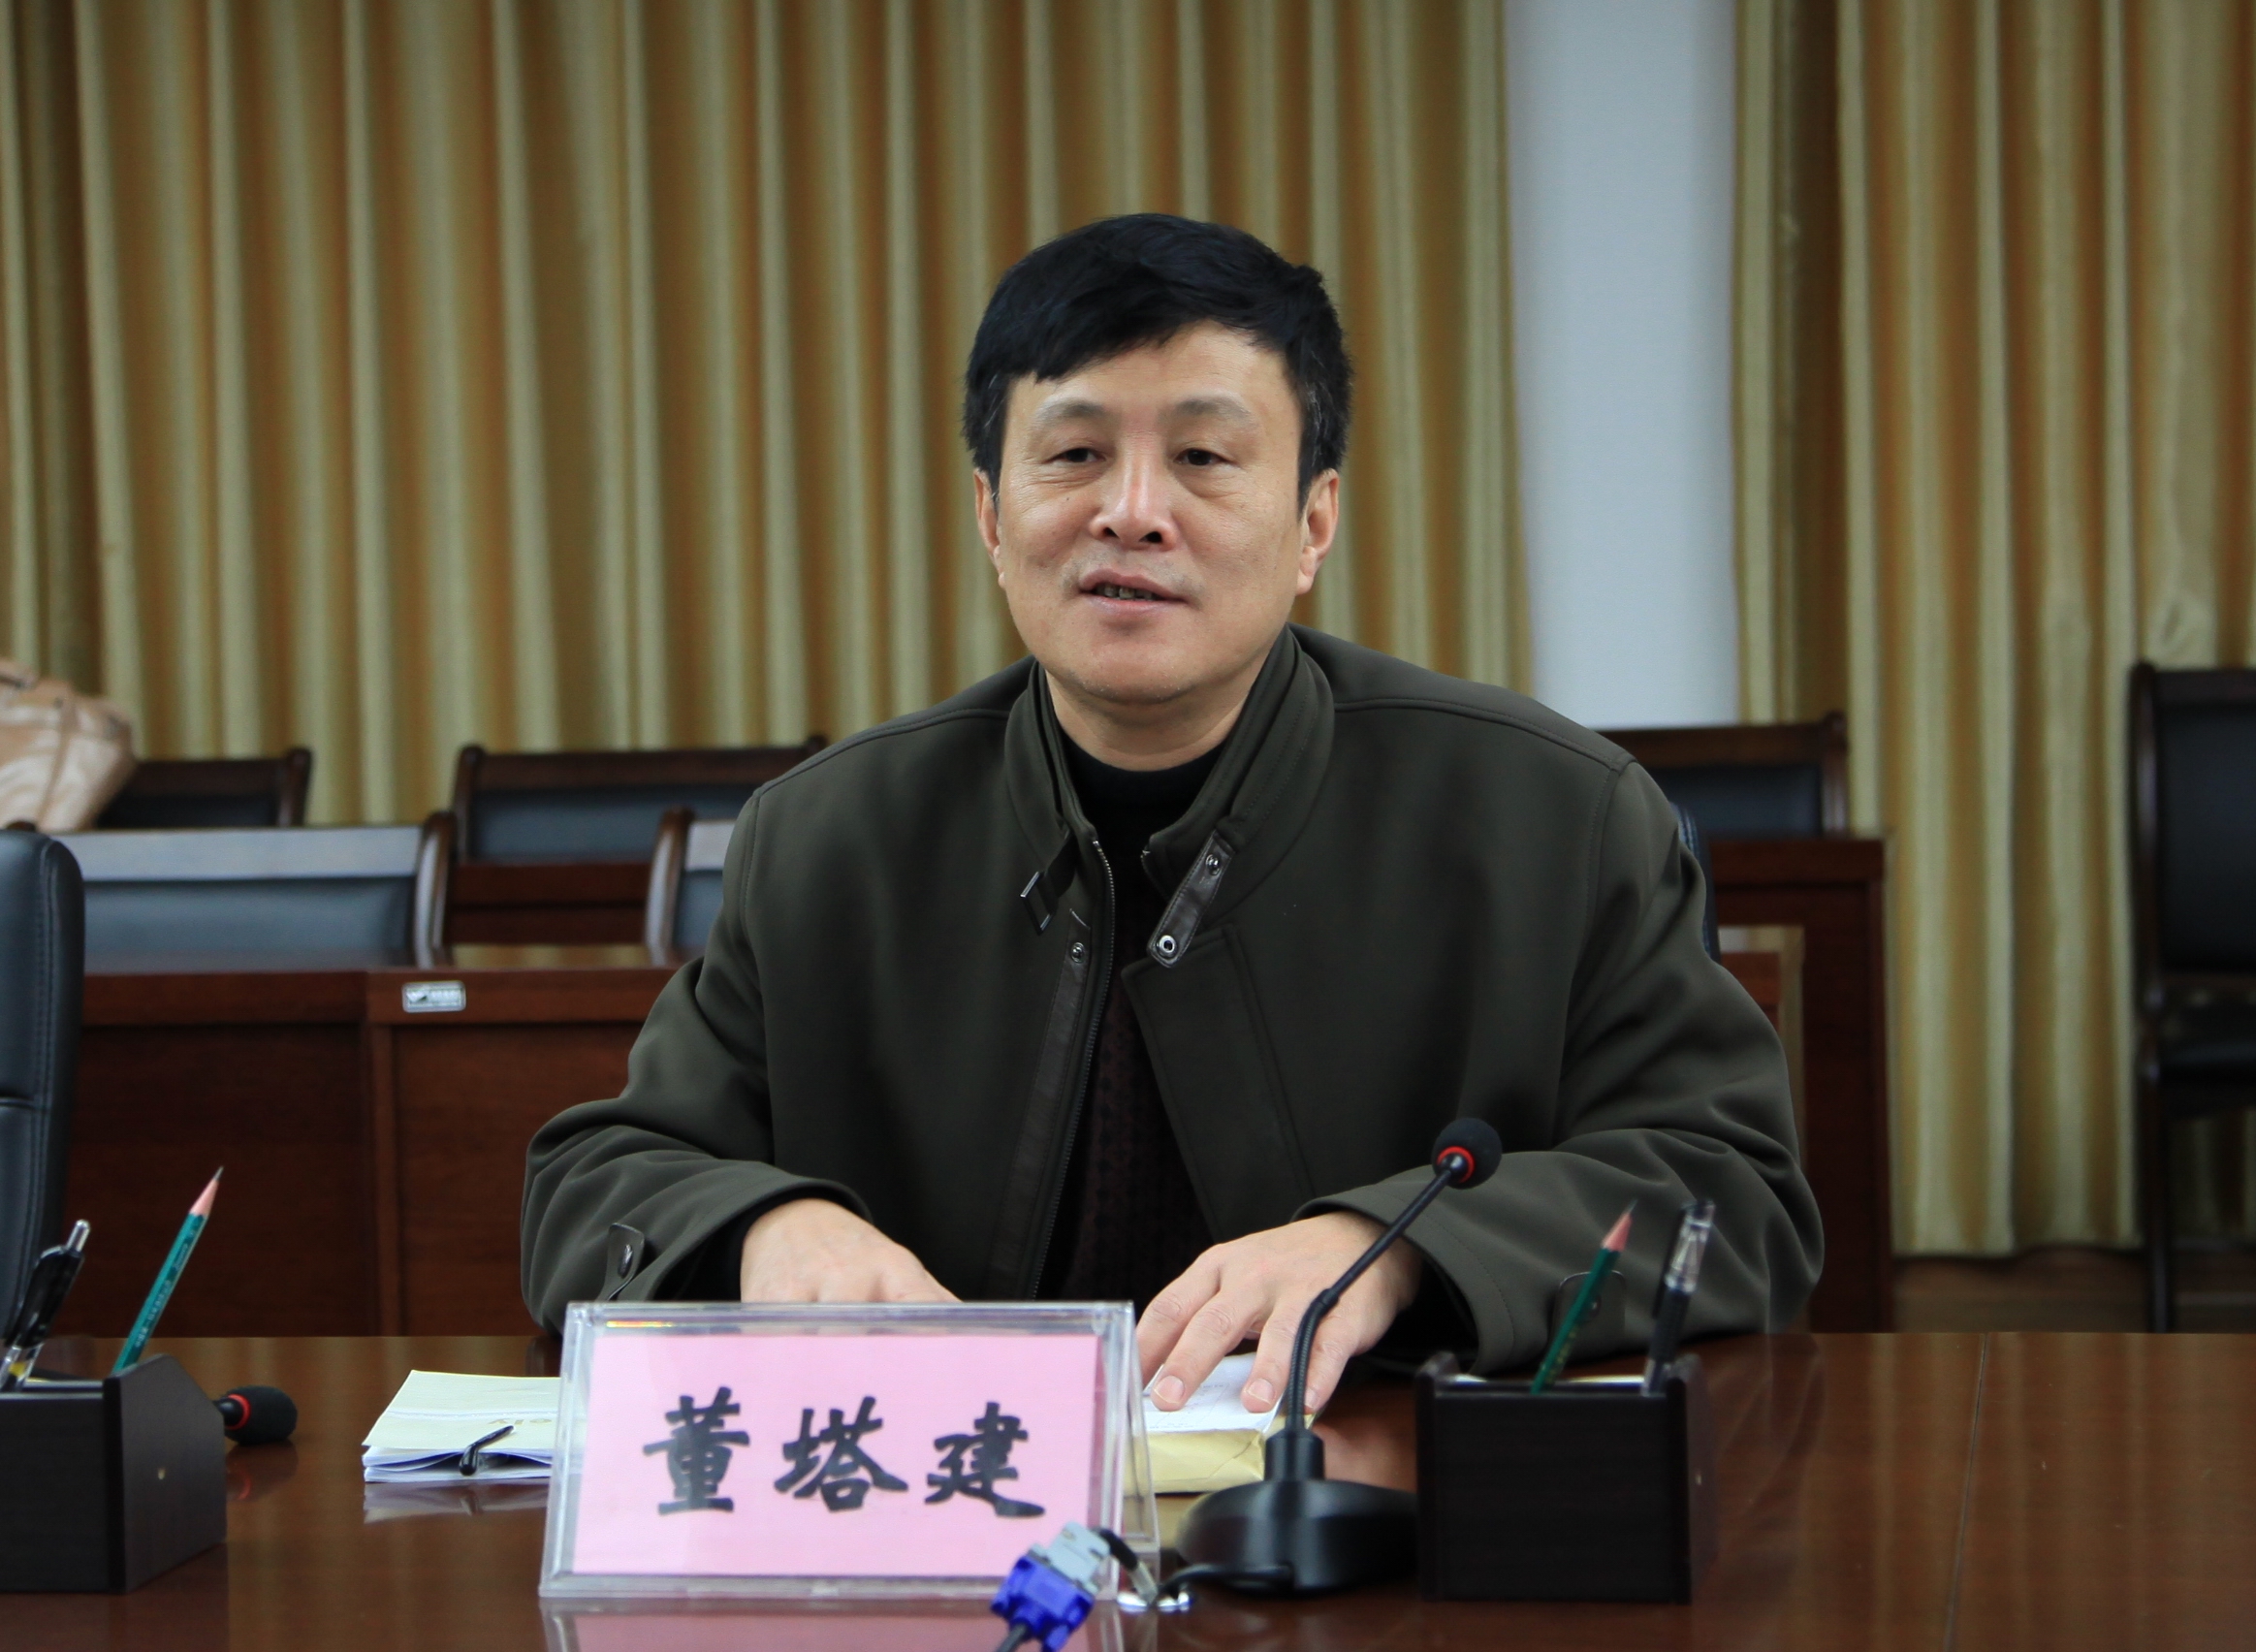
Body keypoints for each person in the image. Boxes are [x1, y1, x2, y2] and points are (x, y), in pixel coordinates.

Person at [523, 213, 1820, 1418]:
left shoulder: (1555, 820)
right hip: (954, 1518)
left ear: (1313, 524)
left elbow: (1735, 1195)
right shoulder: (830, 842)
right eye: (1074, 455)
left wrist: (1402, 1250)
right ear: (991, 515)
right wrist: (762, 1228)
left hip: (1382, 1513)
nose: (1132, 511)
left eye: (1203, 458)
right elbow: (596, 1182)